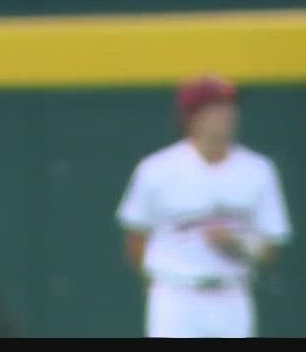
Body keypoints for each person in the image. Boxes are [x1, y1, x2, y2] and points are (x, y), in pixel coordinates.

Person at [115, 74, 292, 339]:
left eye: (229, 107)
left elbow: (272, 245)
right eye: (216, 108)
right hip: (177, 297)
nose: (227, 115)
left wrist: (240, 246)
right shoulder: (158, 169)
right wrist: (163, 279)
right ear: (192, 117)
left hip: (232, 294)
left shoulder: (258, 170)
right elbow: (135, 239)